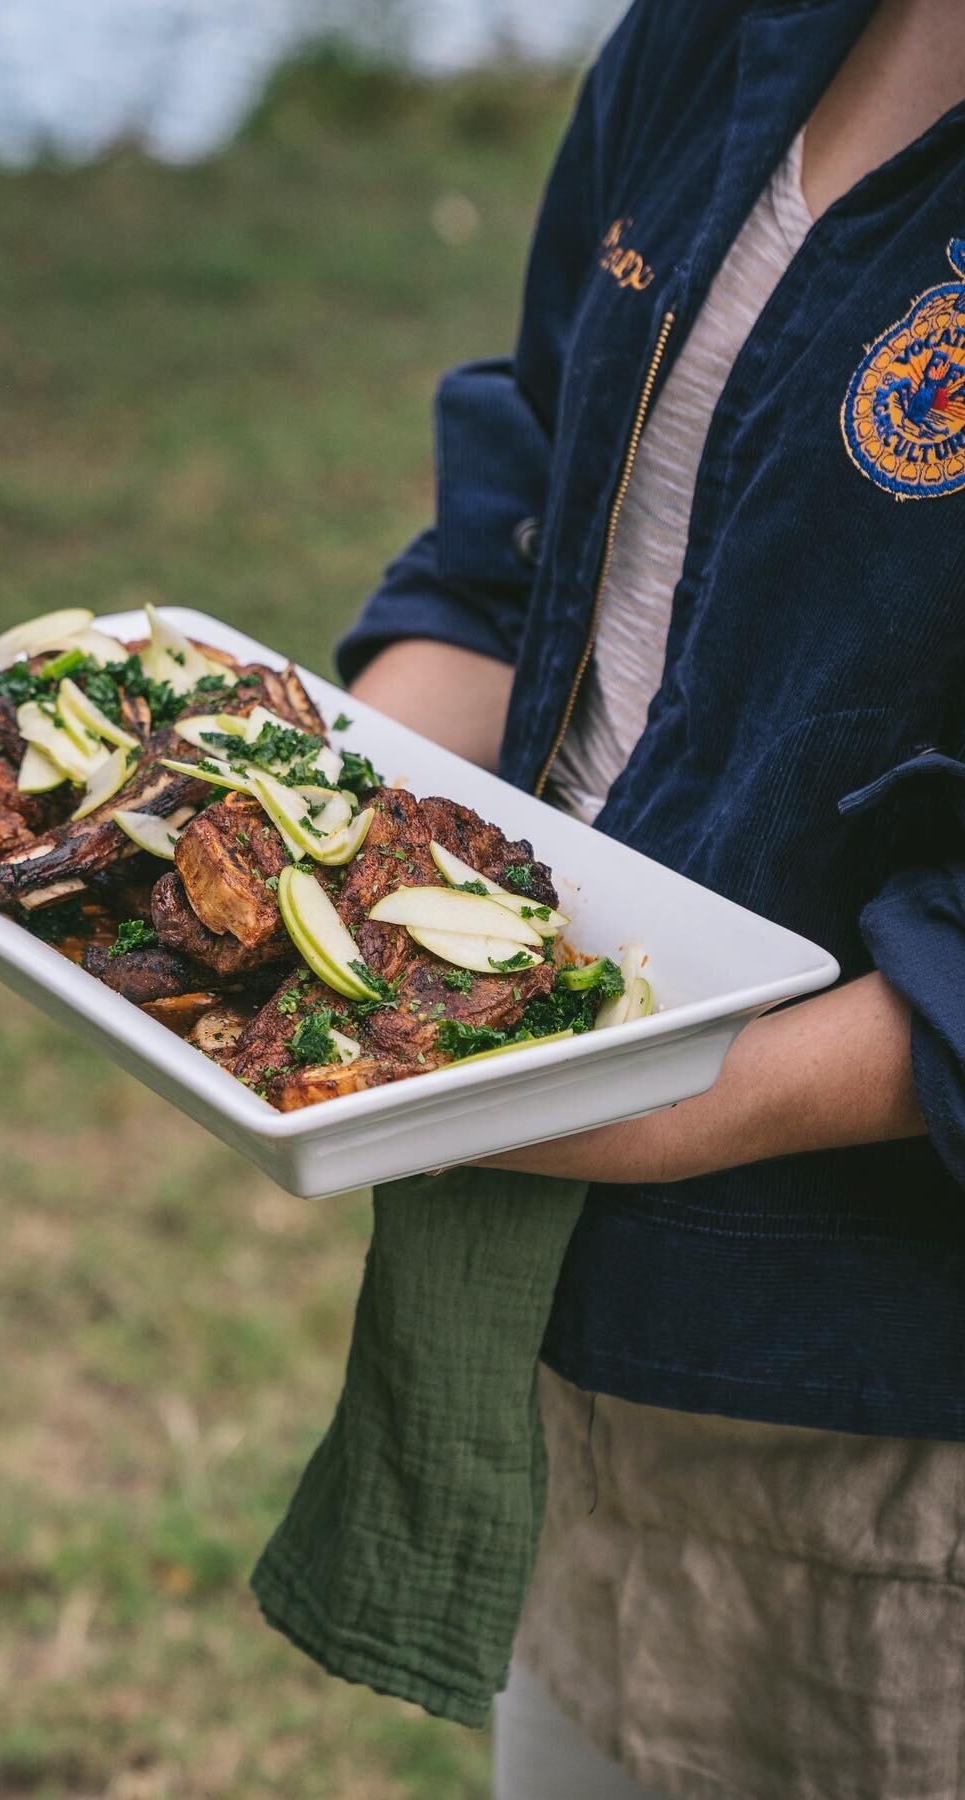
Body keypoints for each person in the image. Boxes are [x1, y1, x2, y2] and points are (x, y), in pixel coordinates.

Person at [338, 1, 965, 1794]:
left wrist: (694, 1100)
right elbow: (530, 505)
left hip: (887, 1409)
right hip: (562, 1294)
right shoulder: (715, 28)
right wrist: (300, 842)